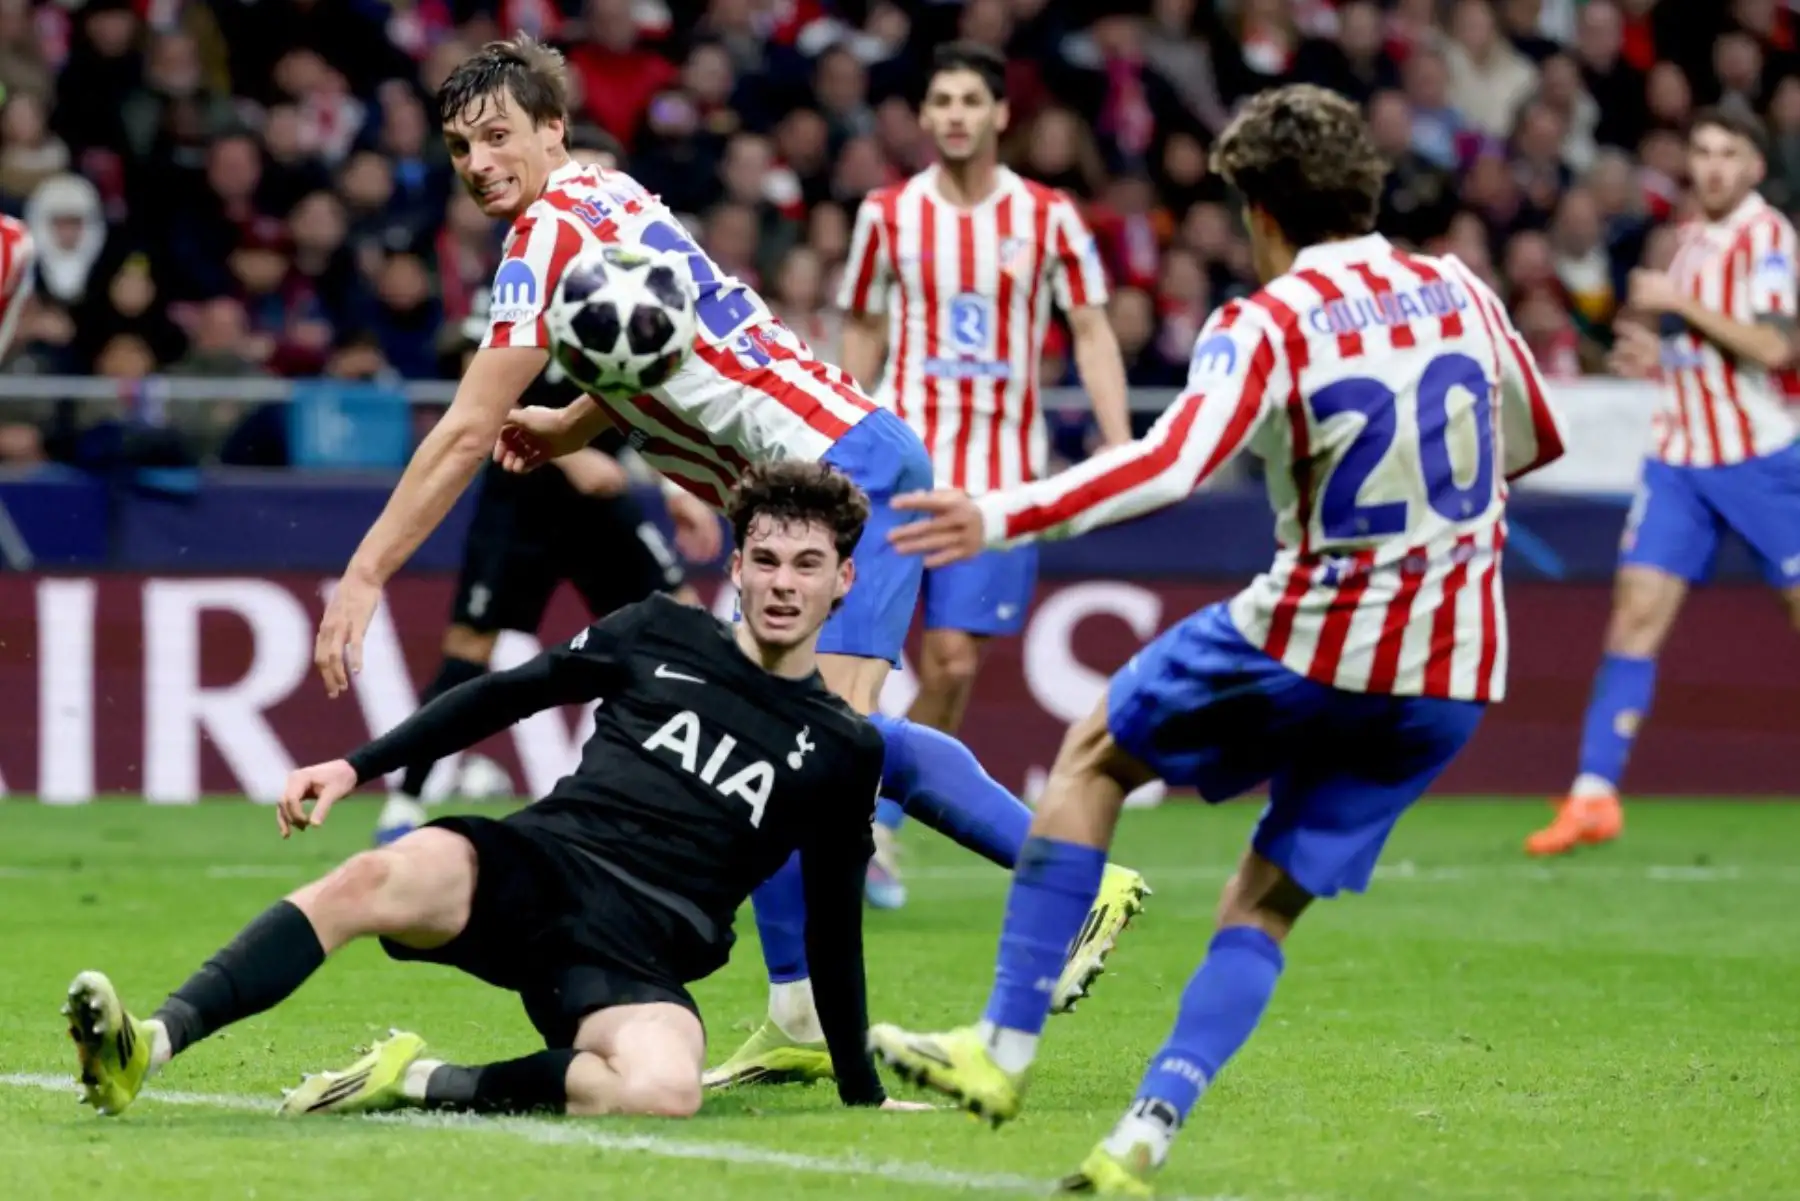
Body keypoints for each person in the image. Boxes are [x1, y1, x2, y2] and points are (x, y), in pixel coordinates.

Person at [307, 35, 1148, 1094]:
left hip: (847, 476)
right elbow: (664, 346)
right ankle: (797, 1017)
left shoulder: (543, 241)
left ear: (553, 129)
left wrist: (369, 570)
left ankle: (1074, 882)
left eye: (497, 136)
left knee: (824, 750)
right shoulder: (611, 194)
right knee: (778, 763)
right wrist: (573, 425)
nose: (478, 162)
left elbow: (465, 429)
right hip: (807, 477)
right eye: (461, 147)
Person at [867, 84, 1568, 1194]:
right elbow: (1533, 440)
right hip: (1453, 663)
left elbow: (1169, 465)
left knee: (1093, 753)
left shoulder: (1269, 319)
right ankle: (1144, 1131)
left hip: (1314, 622)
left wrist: (998, 512)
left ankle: (1000, 1048)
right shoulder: (1464, 291)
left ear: (1261, 215)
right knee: (1264, 901)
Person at [63, 463, 932, 1120]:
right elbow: (503, 692)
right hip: (539, 866)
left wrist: (865, 1096)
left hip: (640, 953)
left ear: (842, 581)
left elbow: (832, 925)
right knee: (372, 875)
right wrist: (356, 766)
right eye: (769, 559)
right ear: (737, 566)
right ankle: (152, 1041)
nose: (785, 583)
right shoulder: (656, 629)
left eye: (808, 564)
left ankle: (417, 1078)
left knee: (666, 1090)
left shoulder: (845, 749)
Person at [838, 41, 1132, 909]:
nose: (958, 114)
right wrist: (846, 428)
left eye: (973, 99)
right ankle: (838, 827)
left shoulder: (1048, 216)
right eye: (943, 101)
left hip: (1002, 482)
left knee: (955, 663)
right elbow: (860, 323)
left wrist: (1118, 445)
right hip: (898, 466)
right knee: (858, 661)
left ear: (1002, 114)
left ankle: (879, 827)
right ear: (925, 118)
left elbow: (1090, 329)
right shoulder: (888, 214)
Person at [1528, 106, 1800, 856]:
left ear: (1752, 166)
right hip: (1679, 459)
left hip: (1759, 457)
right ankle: (1593, 794)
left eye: (1728, 154)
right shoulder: (1687, 242)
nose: (1713, 166)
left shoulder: (1767, 235)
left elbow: (1775, 347)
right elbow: (1707, 347)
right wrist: (1656, 354)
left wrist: (1676, 307)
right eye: (1703, 152)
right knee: (1634, 615)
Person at [370, 302, 712, 846]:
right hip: (520, 497)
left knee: (688, 628)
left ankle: (693, 802)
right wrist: (568, 455)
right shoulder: (517, 284)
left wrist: (674, 488)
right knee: (469, 650)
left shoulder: (619, 284)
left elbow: (647, 388)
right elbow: (477, 392)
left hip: (601, 507)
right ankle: (405, 802)